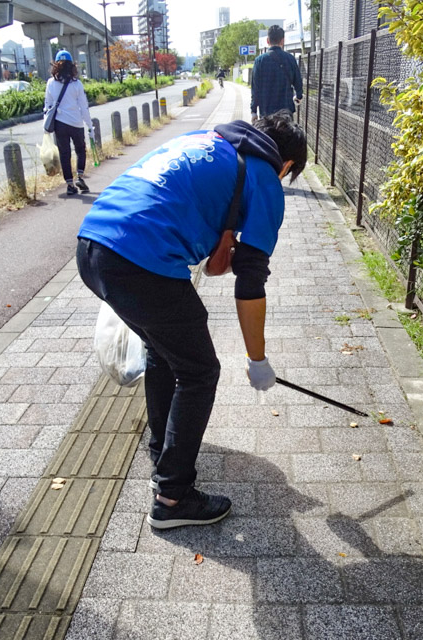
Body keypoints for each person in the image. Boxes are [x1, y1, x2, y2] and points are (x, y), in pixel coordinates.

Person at [76, 112, 307, 529]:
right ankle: (173, 497)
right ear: (287, 164)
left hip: (92, 245)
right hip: (138, 262)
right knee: (200, 371)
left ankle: (163, 450)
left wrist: (226, 237)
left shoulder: (206, 141)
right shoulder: (264, 176)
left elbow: (216, 267)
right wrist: (257, 359)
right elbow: (250, 283)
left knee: (165, 353)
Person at [44, 49, 93, 196]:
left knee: (64, 154)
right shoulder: (77, 84)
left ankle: (70, 184)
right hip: (76, 122)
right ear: (72, 66)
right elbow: (84, 107)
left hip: (60, 123)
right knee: (80, 150)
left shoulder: (50, 83)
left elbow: (47, 105)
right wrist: (90, 126)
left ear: (56, 66)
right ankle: (80, 177)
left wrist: (45, 124)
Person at [250, 25, 304, 119]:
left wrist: (253, 110)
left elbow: (255, 89)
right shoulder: (290, 59)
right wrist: (298, 96)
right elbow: (298, 82)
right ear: (283, 41)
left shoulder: (259, 61)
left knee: (266, 134)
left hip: (266, 114)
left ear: (267, 40)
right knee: (286, 133)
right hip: (286, 113)